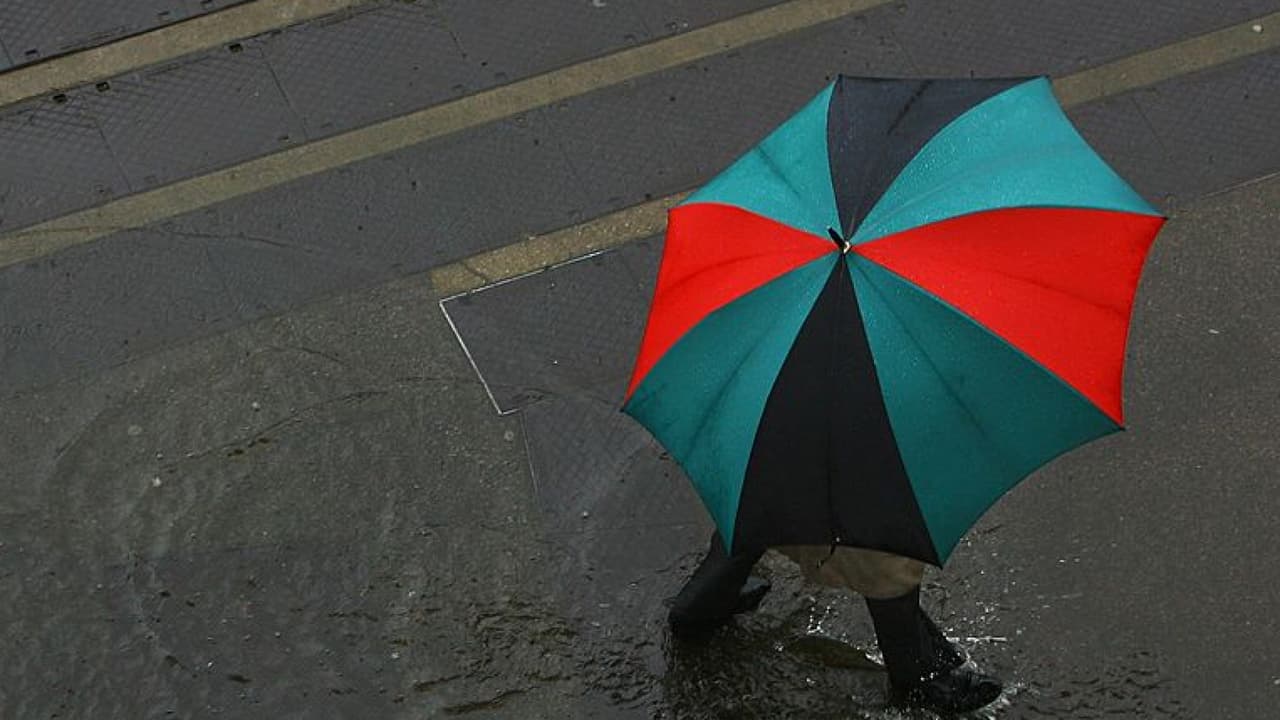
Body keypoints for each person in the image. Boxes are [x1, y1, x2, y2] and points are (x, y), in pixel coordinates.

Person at [668, 533, 1003, 714]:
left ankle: (699, 605)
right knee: (881, 551)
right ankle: (921, 676)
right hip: (847, 493)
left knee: (757, 503)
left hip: (779, 476)